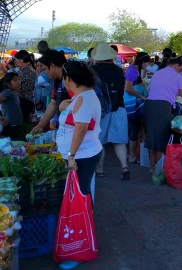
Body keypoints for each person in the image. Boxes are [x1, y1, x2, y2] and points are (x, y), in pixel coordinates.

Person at [55, 60, 103, 270]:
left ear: (69, 79)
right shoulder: (83, 96)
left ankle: (81, 247)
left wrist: (71, 155)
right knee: (81, 197)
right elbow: (75, 118)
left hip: (82, 156)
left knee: (80, 199)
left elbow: (81, 128)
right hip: (83, 154)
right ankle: (80, 238)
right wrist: (63, 106)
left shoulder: (84, 99)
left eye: (64, 79)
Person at [143, 56, 182, 172]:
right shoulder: (178, 77)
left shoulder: (157, 73)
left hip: (149, 105)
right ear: (176, 66)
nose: (181, 70)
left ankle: (152, 167)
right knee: (161, 137)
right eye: (180, 67)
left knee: (151, 137)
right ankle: (160, 170)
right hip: (162, 107)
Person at [91, 44, 130, 180]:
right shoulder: (119, 70)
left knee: (99, 142)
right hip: (119, 108)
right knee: (119, 141)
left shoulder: (93, 70)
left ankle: (100, 170)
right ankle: (124, 167)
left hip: (101, 110)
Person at [30, 50, 70, 135]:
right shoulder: (56, 81)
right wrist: (40, 126)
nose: (45, 73)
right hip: (63, 128)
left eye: (45, 69)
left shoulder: (70, 80)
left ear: (52, 66)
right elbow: (53, 103)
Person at [0, 72, 24, 141]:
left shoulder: (12, 92)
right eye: (15, 80)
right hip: (11, 127)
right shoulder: (7, 92)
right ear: (8, 83)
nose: (18, 82)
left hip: (16, 126)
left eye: (19, 79)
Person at [14, 50, 36, 124]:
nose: (15, 61)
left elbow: (20, 88)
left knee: (22, 123)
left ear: (22, 60)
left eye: (16, 59)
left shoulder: (25, 72)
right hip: (27, 100)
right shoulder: (29, 70)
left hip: (24, 101)